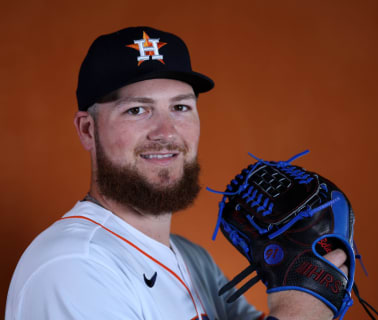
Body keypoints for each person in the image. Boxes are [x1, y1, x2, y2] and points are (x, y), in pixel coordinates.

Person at [5, 26, 348, 320]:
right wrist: (301, 311)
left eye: (180, 107)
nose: (166, 131)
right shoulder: (72, 268)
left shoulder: (191, 258)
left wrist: (300, 284)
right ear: (87, 130)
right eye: (137, 110)